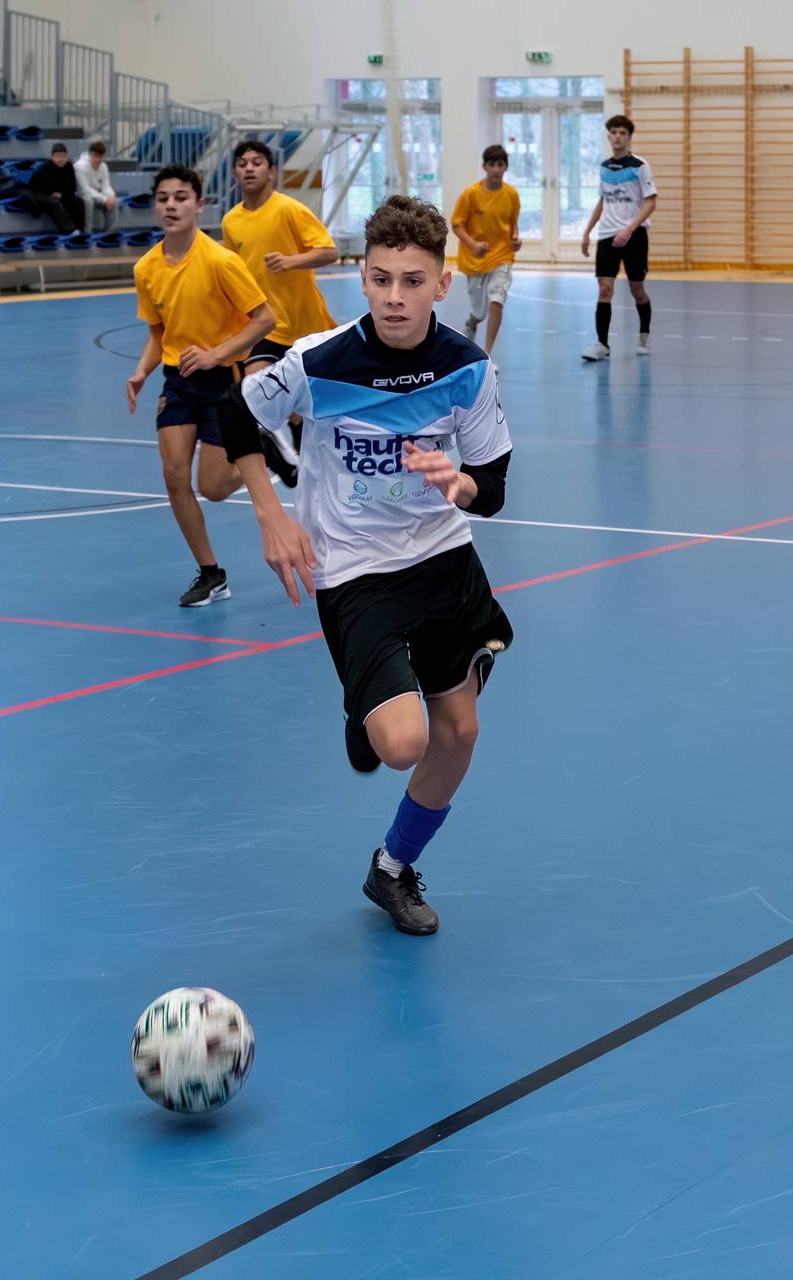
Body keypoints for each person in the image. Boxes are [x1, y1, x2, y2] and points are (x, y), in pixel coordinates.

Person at [225, 195, 514, 937]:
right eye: (381, 279)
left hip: (443, 556)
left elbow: (494, 486)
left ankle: (392, 868)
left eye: (413, 281)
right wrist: (271, 513)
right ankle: (370, 701)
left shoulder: (468, 368)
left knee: (460, 733)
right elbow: (238, 414)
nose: (394, 297)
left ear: (442, 283)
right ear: (362, 277)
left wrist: (461, 484)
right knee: (404, 743)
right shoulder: (318, 360)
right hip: (355, 567)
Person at [125, 165, 275, 607]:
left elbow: (264, 319)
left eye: (181, 197)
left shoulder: (220, 261)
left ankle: (266, 451)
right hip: (178, 381)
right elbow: (158, 332)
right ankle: (211, 573)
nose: (171, 206)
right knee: (174, 476)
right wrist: (142, 370)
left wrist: (216, 353)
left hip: (220, 379)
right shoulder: (146, 268)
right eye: (163, 199)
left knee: (212, 487)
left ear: (199, 205)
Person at [221, 138, 339, 377]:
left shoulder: (289, 209)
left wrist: (290, 261)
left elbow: (329, 252)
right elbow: (233, 274)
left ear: (272, 172)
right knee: (256, 382)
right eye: (242, 164)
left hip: (304, 324)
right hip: (263, 324)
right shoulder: (230, 221)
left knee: (305, 394)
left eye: (257, 163)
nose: (249, 168)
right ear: (235, 174)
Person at [580, 114, 657, 361]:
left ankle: (644, 335)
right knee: (605, 289)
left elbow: (651, 202)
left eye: (622, 133)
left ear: (629, 137)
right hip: (607, 235)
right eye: (614, 132)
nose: (617, 137)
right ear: (608, 136)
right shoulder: (604, 167)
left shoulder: (639, 165)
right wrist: (587, 231)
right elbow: (603, 201)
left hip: (634, 236)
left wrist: (629, 229)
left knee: (637, 290)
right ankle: (602, 344)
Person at [449, 144, 521, 355]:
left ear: (506, 167)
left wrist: (516, 239)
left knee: (497, 299)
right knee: (480, 312)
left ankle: (487, 353)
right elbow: (456, 224)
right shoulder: (471, 194)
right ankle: (472, 323)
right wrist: (473, 244)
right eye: (492, 165)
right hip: (475, 260)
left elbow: (513, 224)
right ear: (484, 167)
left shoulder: (511, 194)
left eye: (500, 164)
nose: (496, 169)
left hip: (502, 256)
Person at [28, 142, 83, 233]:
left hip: (60, 194)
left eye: (63, 156)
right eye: (57, 156)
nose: (60, 159)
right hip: (39, 194)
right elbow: (36, 187)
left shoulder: (69, 167)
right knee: (54, 203)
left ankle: (80, 228)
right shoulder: (44, 168)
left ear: (67, 157)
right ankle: (70, 230)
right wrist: (50, 194)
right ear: (52, 157)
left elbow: (72, 187)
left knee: (78, 201)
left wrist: (62, 195)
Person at [75, 140, 118, 233]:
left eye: (100, 157)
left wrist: (111, 195)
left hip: (98, 196)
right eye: (95, 156)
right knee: (89, 200)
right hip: (81, 195)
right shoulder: (79, 166)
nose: (98, 159)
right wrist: (105, 199)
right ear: (90, 154)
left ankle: (109, 232)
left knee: (113, 201)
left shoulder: (103, 166)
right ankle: (87, 231)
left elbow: (106, 185)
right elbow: (85, 189)